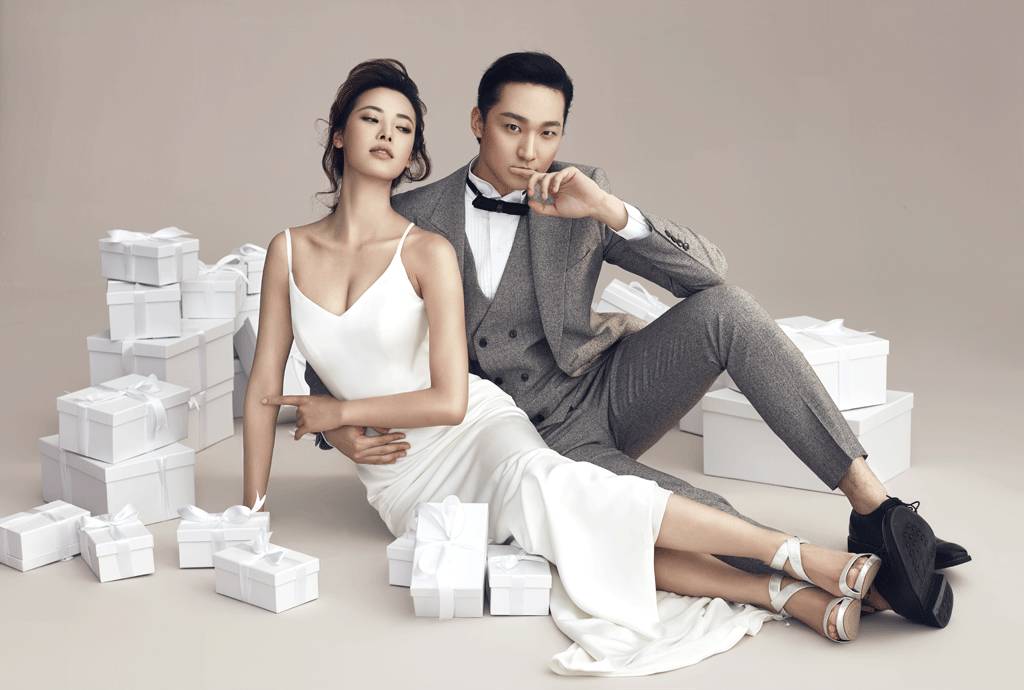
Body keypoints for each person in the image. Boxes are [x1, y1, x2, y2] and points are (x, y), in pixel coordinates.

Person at [243, 60, 908, 675]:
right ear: (477, 123)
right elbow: (343, 350)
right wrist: (337, 431)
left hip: (604, 389)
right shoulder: (413, 216)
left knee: (728, 310)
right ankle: (820, 582)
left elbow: (709, 274)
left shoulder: (581, 191)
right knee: (673, 516)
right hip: (521, 440)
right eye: (512, 128)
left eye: (548, 132)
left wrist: (610, 212)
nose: (530, 151)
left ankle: (875, 510)